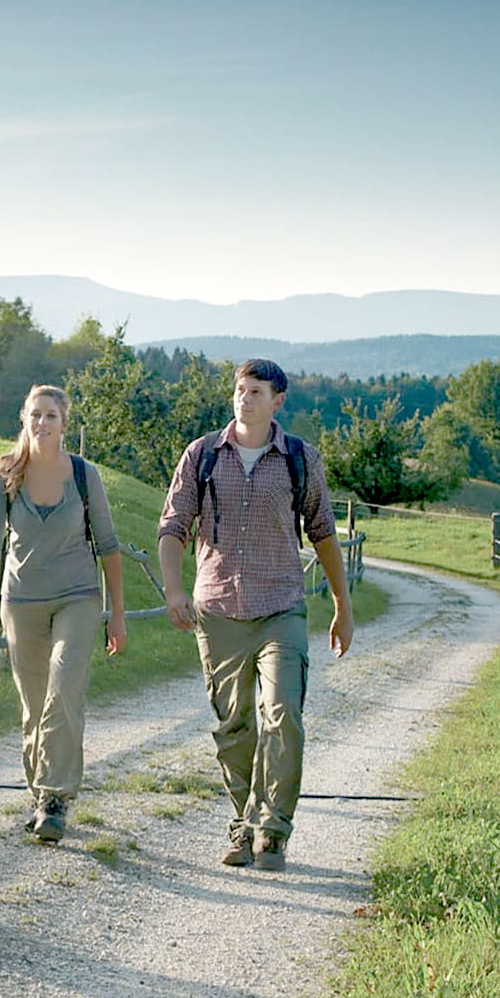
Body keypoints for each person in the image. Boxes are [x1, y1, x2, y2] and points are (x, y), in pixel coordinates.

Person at [157, 358, 351, 872]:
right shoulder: (201, 455)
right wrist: (174, 590)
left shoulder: (298, 459)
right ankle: (243, 824)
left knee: (283, 714)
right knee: (234, 726)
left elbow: (324, 532)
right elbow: (174, 524)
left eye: (257, 391)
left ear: (278, 400)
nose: (246, 398)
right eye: (241, 390)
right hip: (218, 609)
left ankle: (273, 830)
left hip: (280, 607)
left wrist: (342, 605)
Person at [0, 385, 126, 844]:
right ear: (24, 418)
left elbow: (109, 547)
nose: (42, 424)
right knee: (34, 704)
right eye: (35, 415)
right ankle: (40, 795)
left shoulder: (84, 475)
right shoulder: (6, 474)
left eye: (51, 417)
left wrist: (117, 614)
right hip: (20, 602)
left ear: (65, 424)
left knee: (64, 692)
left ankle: (57, 798)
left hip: (78, 598)